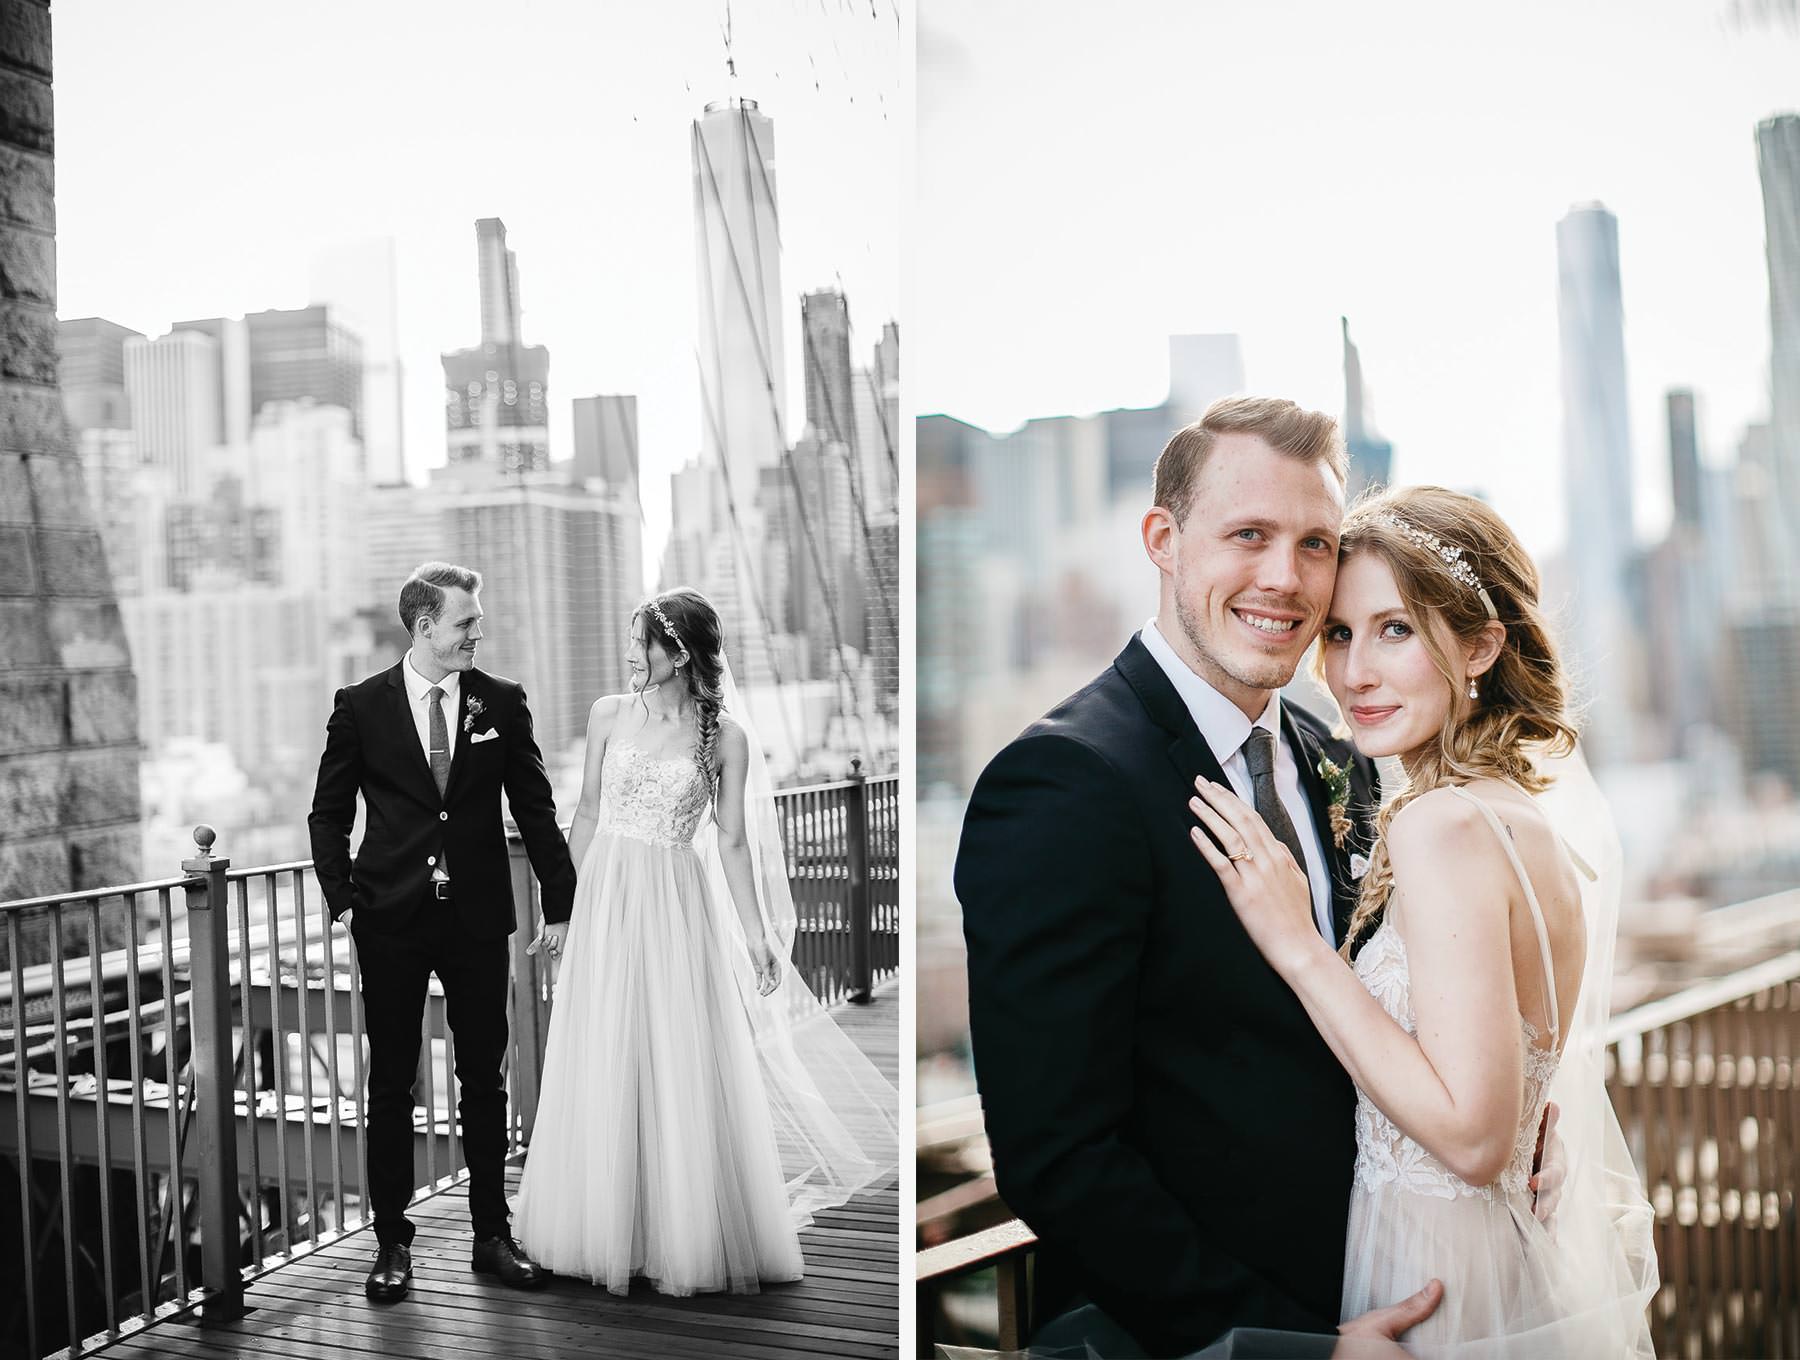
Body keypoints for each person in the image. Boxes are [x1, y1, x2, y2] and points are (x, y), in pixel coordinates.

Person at [956, 398, 1570, 1358]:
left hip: (1414, 1288)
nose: (1284, 580)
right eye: (1249, 535)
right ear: (1163, 539)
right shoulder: (1062, 783)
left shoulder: (1349, 754)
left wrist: (1509, 1134)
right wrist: (1297, 1347)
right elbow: (1059, 1159)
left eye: (1315, 544)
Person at [1187, 486, 1657, 1356]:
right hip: (1506, 1260)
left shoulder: (1437, 824)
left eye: (1395, 629)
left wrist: (1297, 943)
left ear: (1479, 645)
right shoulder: (1517, 816)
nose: (1354, 671)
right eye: (1339, 633)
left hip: (1433, 1278)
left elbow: (1475, 1140)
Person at [512, 587, 897, 1296]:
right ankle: (603, 1224)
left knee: (675, 1054)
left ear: (680, 653)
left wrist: (757, 937)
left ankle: (678, 1228)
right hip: (604, 896)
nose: (630, 652)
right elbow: (588, 813)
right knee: (604, 1049)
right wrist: (562, 906)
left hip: (672, 902)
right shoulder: (607, 715)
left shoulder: (725, 739)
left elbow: (733, 843)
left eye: (642, 641)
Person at [308, 561, 576, 1302]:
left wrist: (563, 903)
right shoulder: (360, 706)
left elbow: (535, 807)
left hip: (478, 919)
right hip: (388, 920)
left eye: (475, 622)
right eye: (464, 622)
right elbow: (327, 814)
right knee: (392, 1084)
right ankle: (392, 1244)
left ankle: (492, 1234)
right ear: (425, 626)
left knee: (483, 1080)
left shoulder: (501, 700)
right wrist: (345, 903)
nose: (475, 633)